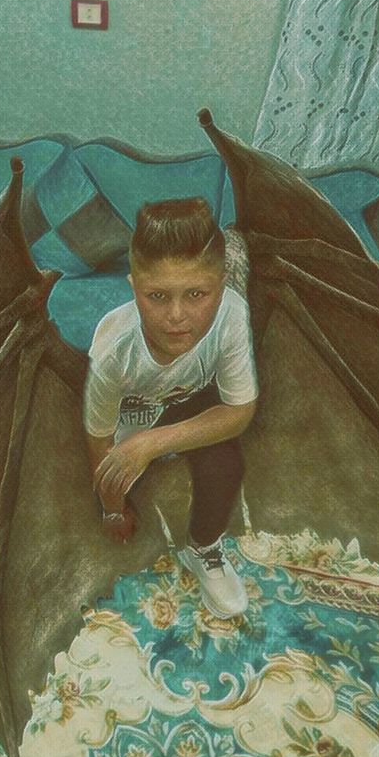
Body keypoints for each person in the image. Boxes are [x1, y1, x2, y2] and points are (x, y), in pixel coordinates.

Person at [83, 197, 258, 619]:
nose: (177, 316)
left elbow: (240, 410)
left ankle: (204, 549)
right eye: (157, 296)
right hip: (127, 412)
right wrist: (113, 509)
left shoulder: (232, 314)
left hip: (187, 399)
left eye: (197, 294)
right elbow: (98, 437)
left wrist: (151, 444)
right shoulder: (113, 351)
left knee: (226, 463)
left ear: (222, 285)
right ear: (134, 287)